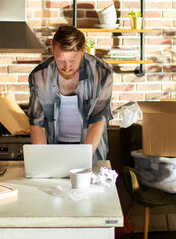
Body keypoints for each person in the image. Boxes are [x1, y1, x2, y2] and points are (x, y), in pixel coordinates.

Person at [28, 25, 113, 161]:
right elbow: (37, 124)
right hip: (54, 151)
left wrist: (81, 160)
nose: (67, 68)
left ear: (83, 51)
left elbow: (97, 122)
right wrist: (41, 161)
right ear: (52, 49)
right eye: (61, 60)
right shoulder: (39, 76)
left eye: (73, 61)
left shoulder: (101, 73)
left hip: (91, 152)